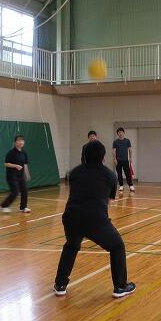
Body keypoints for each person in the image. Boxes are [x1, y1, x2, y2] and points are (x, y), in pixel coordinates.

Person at [54, 140, 136, 298]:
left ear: (84, 155)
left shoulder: (74, 173)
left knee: (71, 246)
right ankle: (120, 286)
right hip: (95, 220)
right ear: (103, 157)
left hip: (71, 218)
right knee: (117, 246)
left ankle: (60, 284)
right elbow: (109, 201)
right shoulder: (110, 175)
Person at [0, 135, 31, 213]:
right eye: (19, 140)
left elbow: (25, 164)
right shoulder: (11, 152)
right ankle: (4, 206)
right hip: (12, 176)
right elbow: (6, 164)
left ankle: (23, 207)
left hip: (21, 176)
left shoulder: (24, 153)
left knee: (24, 191)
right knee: (15, 192)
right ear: (15, 142)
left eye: (22, 141)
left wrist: (27, 174)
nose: (21, 142)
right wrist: (15, 166)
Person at [113, 127, 135, 193]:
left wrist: (130, 157)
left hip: (125, 160)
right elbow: (114, 151)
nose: (120, 133)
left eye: (121, 132)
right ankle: (121, 185)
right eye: (119, 132)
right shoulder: (115, 142)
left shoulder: (127, 141)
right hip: (118, 160)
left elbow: (130, 149)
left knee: (127, 173)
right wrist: (115, 159)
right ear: (117, 134)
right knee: (119, 173)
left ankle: (131, 185)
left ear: (124, 133)